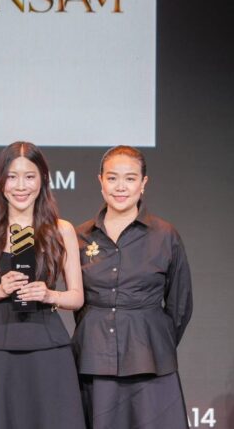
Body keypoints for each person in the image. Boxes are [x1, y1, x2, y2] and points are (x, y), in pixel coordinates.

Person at [0, 141, 86, 429]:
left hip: (48, 350)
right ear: (0, 181)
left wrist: (49, 294)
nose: (21, 186)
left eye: (29, 177)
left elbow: (76, 297)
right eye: (12, 177)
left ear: (43, 180)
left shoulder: (61, 230)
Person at [73, 145, 193, 429]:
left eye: (130, 178)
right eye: (112, 178)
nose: (120, 187)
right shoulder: (80, 236)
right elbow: (77, 302)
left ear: (143, 183)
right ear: (100, 181)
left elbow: (180, 304)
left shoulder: (165, 235)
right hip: (94, 361)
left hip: (151, 359)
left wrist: (153, 337)